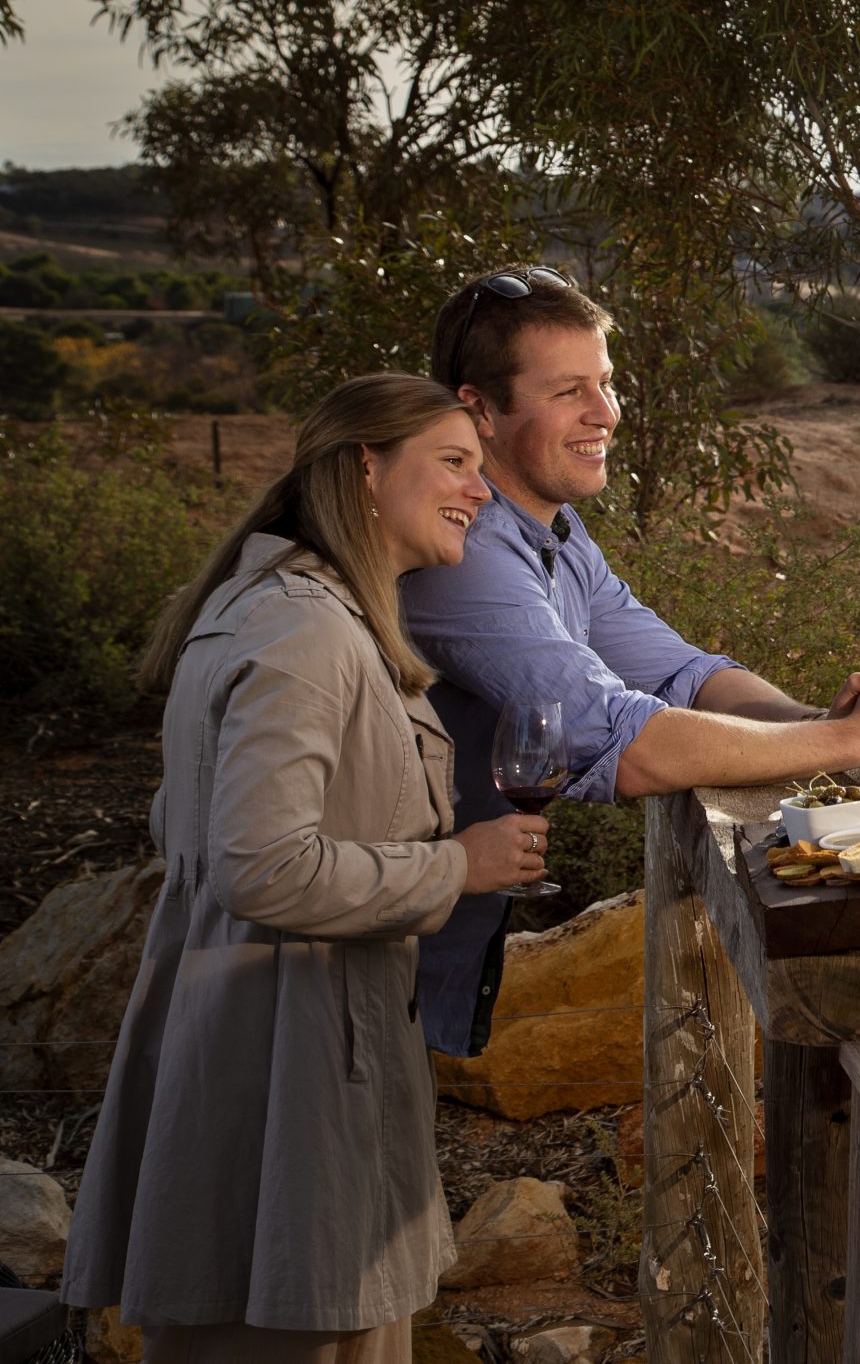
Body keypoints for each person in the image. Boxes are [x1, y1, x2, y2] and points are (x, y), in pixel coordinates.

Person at [62, 374, 550, 1362]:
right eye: (454, 462)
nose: (481, 489)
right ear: (366, 468)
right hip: (290, 1076)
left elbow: (185, 824)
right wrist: (451, 868)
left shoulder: (279, 608)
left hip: (260, 1046)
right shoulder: (307, 632)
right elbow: (258, 865)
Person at [401, 266, 860, 1055]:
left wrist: (814, 720)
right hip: (353, 960)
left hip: (424, 951)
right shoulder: (469, 554)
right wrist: (852, 741)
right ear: (480, 410)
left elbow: (682, 673)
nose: (606, 413)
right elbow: (626, 742)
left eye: (606, 382)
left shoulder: (555, 532)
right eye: (568, 391)